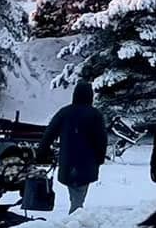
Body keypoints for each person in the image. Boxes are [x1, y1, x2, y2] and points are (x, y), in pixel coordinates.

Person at [38, 80, 109, 212]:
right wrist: (99, 159)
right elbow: (102, 140)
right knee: (79, 197)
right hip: (87, 162)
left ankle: (75, 219)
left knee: (75, 194)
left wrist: (42, 153)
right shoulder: (95, 115)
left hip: (68, 161)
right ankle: (74, 222)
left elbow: (49, 134)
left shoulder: (64, 112)